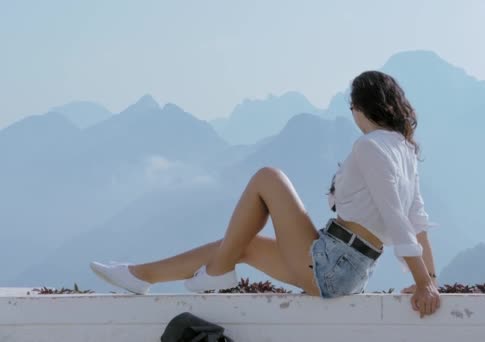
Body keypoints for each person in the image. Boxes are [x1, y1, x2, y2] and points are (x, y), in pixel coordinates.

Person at [90, 70, 441, 318]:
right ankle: (140, 276)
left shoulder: (369, 146)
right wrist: (432, 279)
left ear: (361, 107)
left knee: (268, 177)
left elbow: (398, 219)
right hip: (347, 268)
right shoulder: (404, 151)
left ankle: (216, 272)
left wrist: (424, 284)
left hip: (333, 263)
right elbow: (418, 220)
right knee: (243, 244)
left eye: (351, 108)